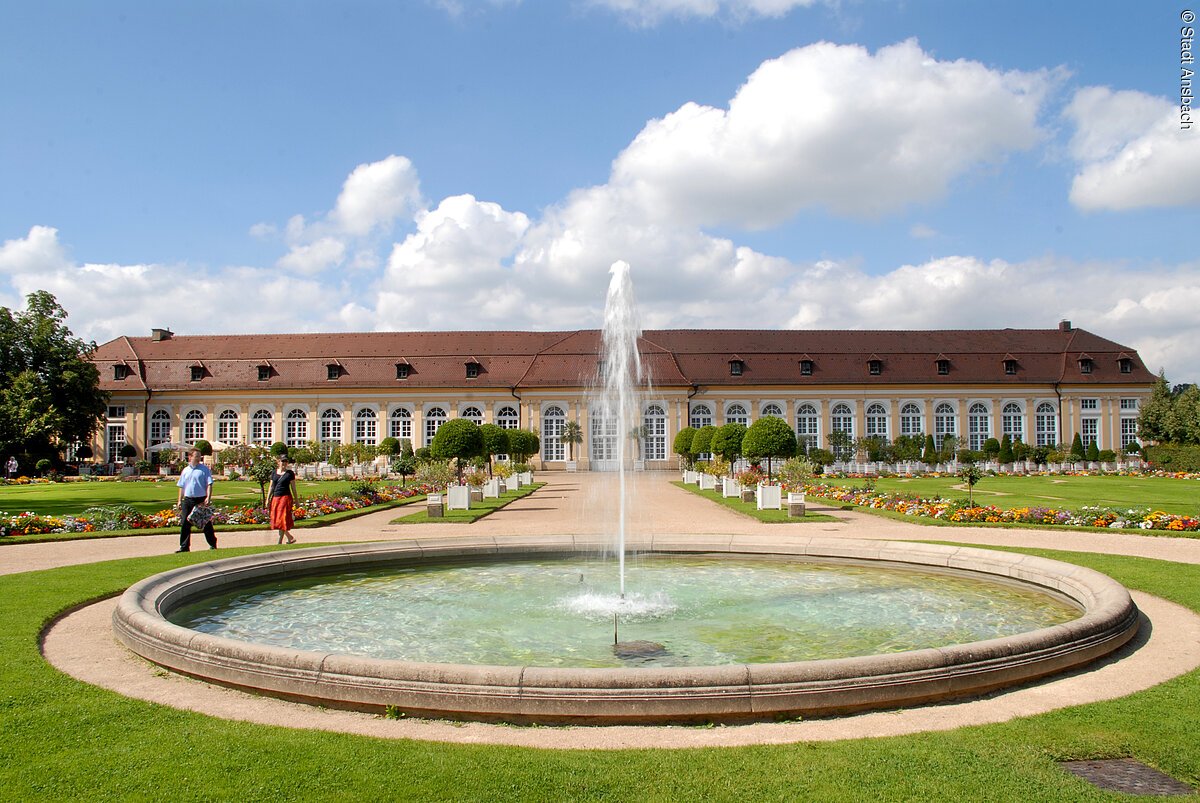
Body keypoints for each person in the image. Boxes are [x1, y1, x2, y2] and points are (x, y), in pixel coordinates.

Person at [175, 448, 216, 552]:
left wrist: (208, 497)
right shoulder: (185, 470)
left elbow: (209, 484)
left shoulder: (204, 469)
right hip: (188, 500)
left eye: (199, 456)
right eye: (196, 456)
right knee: (185, 523)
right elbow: (181, 486)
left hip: (200, 500)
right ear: (190, 457)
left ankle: (212, 544)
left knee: (206, 523)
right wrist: (179, 500)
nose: (198, 458)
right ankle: (184, 546)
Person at [267, 456, 299, 545]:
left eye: (285, 461)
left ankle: (281, 541)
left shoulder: (290, 473)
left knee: (281, 519)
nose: (284, 463)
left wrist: (296, 501)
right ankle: (289, 538)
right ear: (278, 462)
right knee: (276, 519)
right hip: (275, 498)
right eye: (282, 461)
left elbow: (293, 488)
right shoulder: (274, 473)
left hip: (285, 498)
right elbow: (271, 487)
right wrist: (267, 499)